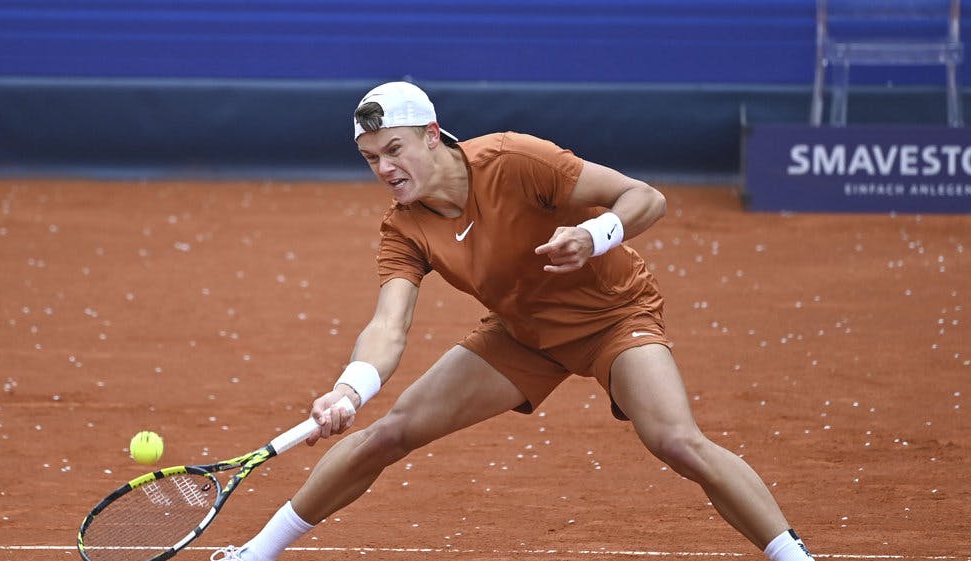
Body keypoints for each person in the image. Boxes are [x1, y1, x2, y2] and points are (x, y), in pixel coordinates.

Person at [211, 81, 814, 561]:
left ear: (430, 135)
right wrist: (349, 387)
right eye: (371, 159)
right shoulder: (403, 229)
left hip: (612, 317)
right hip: (523, 334)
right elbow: (388, 327)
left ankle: (792, 554)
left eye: (394, 150)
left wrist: (592, 235)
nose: (384, 169)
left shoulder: (513, 159)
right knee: (390, 433)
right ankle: (255, 553)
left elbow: (645, 198)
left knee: (676, 442)